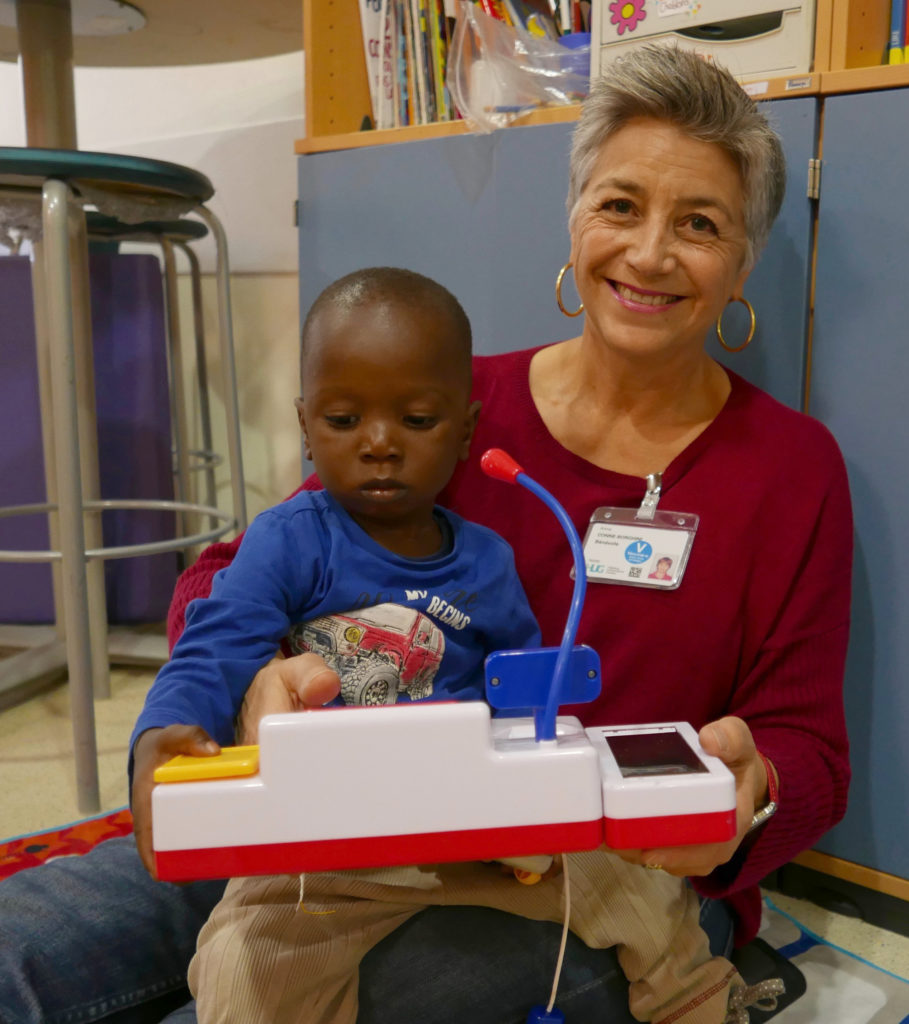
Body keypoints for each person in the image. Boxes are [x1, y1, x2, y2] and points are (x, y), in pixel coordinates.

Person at [0, 44, 852, 1024]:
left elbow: (809, 747)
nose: (651, 251)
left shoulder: (790, 470)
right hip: (322, 822)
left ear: (743, 261)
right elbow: (248, 569)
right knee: (25, 944)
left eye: (699, 224)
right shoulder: (437, 401)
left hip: (588, 882)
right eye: (621, 205)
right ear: (574, 219)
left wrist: (756, 791)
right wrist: (246, 685)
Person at [134, 265, 747, 1024]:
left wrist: (534, 797)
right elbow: (216, 643)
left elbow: (525, 702)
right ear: (303, 423)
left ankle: (697, 1002)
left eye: (416, 422)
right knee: (236, 966)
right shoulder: (287, 541)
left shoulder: (487, 561)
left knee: (642, 889)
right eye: (342, 419)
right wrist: (163, 732)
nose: (380, 445)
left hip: (474, 834)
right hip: (322, 847)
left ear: (464, 430)